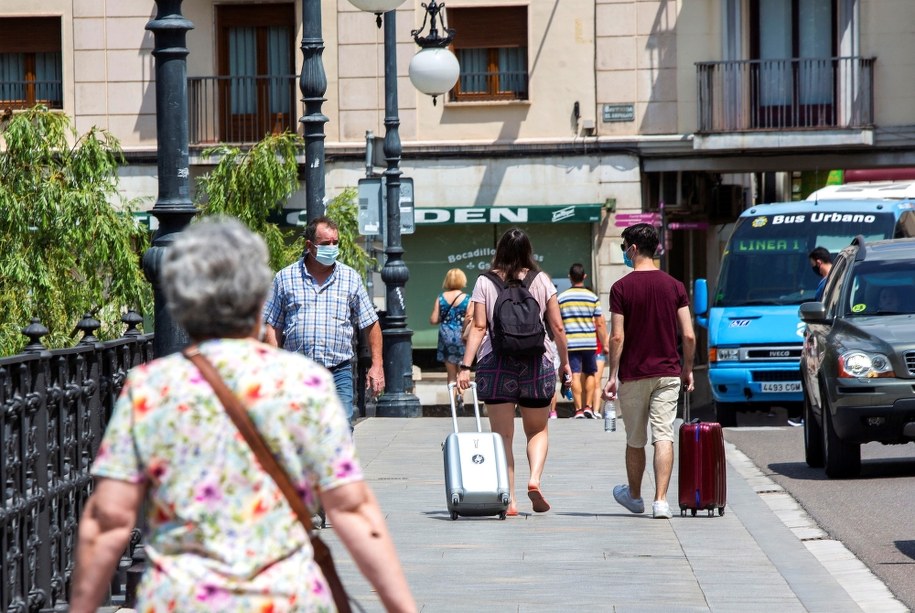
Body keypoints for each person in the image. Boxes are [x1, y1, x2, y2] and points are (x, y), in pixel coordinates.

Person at [69, 218, 416, 613]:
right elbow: (353, 510)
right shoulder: (302, 384)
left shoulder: (151, 388)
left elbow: (108, 518)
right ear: (256, 300)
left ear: (181, 303)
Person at [457, 228, 571, 516]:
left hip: (496, 363)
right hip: (536, 362)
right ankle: (534, 480)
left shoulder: (485, 281)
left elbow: (480, 327)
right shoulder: (542, 280)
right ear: (528, 251)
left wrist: (465, 366)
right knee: (537, 429)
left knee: (502, 436)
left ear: (500, 250)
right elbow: (557, 327)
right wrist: (565, 363)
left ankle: (509, 500)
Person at [604, 223, 695, 520]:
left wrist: (611, 376)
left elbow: (617, 336)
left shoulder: (621, 288)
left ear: (632, 249)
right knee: (663, 435)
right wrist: (688, 369)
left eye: (623, 248)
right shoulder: (675, 286)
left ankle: (634, 496)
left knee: (635, 439)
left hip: (633, 373)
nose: (623, 253)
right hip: (668, 373)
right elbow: (689, 335)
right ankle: (661, 502)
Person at [263, 215, 384, 426]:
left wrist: (377, 365)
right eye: (325, 243)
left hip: (338, 371)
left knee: (342, 429)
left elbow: (370, 323)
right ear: (309, 245)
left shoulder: (350, 278)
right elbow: (273, 324)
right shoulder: (285, 278)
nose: (332, 248)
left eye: (335, 243)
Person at [558, 263, 608, 418]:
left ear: (570, 277)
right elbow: (599, 323)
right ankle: (588, 407)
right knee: (591, 373)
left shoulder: (562, 298)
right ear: (584, 276)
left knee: (575, 374)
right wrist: (605, 343)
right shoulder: (592, 297)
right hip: (589, 343)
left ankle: (578, 409)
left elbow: (558, 324)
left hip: (571, 343)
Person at [430, 268, 473, 407]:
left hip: (446, 335)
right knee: (464, 368)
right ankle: (461, 395)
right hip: (462, 336)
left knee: (451, 372)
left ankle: (453, 401)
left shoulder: (441, 298)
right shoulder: (467, 298)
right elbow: (469, 317)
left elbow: (434, 319)